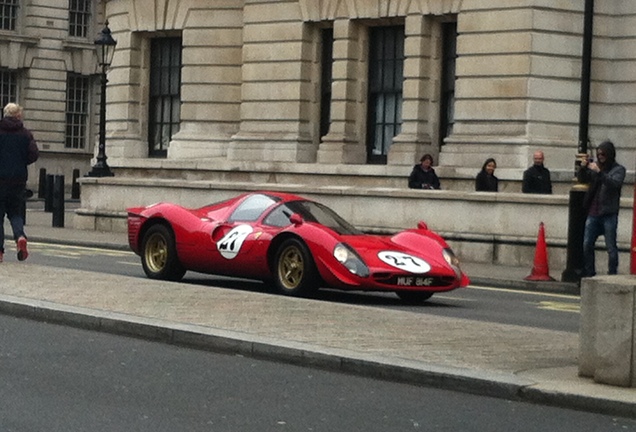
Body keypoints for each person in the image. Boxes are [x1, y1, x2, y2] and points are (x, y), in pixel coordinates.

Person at [577, 140, 625, 276]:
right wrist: (583, 167)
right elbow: (582, 179)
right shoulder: (596, 168)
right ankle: (590, 273)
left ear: (610, 154)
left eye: (603, 154)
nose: (600, 157)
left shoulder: (619, 170)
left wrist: (599, 172)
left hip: (609, 213)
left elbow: (613, 184)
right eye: (598, 154)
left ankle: (612, 275)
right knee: (587, 244)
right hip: (593, 213)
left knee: (611, 248)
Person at [0, 103, 39, 263]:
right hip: (18, 180)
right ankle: (20, 236)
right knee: (15, 213)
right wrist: (21, 161)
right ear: (18, 116)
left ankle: (0, 252)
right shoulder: (26, 134)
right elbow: (34, 155)